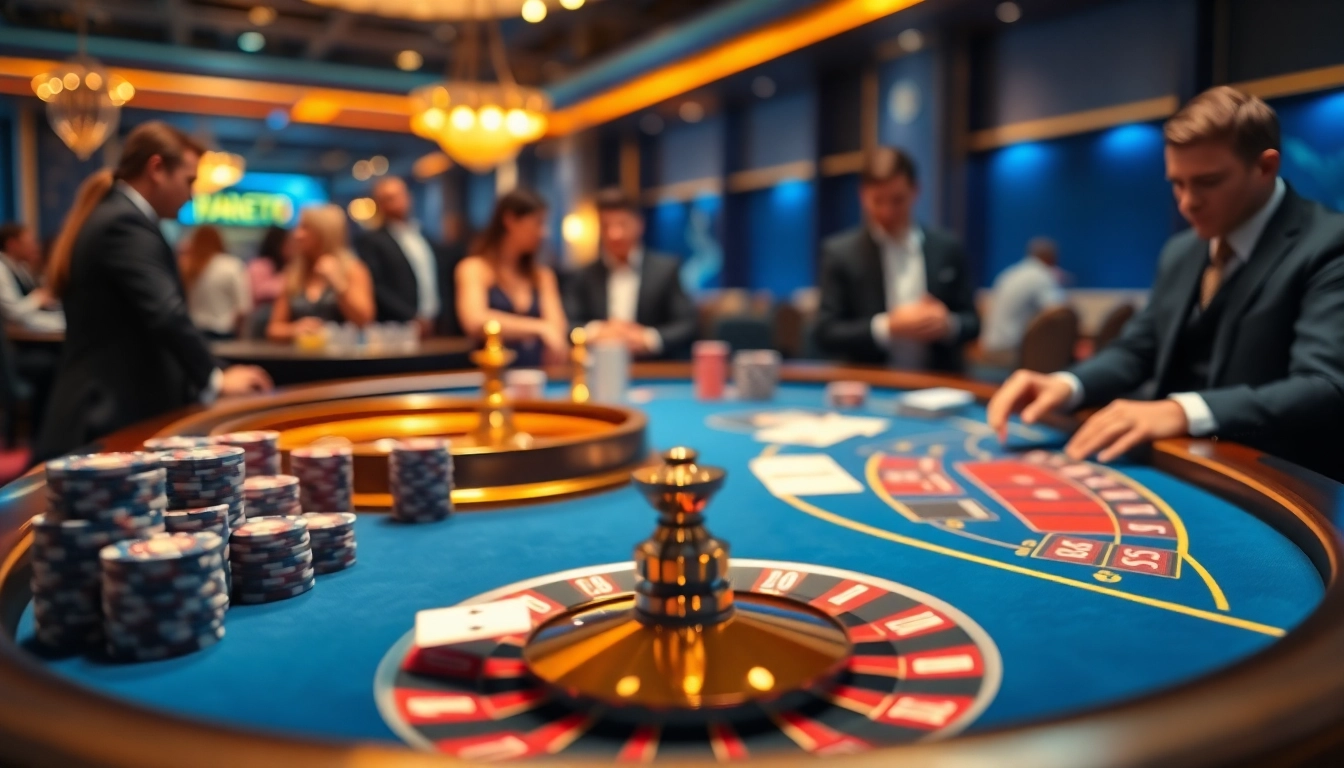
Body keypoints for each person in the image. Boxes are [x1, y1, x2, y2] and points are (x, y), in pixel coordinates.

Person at [987, 87, 1344, 480]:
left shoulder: (1329, 244)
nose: (1187, 202)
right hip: (1177, 470)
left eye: (1207, 182)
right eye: (1177, 183)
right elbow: (1138, 349)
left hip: (1279, 484)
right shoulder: (1181, 250)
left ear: (1265, 167)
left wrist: (1180, 411)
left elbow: (1324, 388)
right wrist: (1068, 383)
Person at [36, 121, 272, 460]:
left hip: (107, 406)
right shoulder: (124, 222)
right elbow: (166, 313)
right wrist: (215, 380)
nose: (191, 195)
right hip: (104, 414)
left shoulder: (117, 214)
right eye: (189, 181)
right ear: (157, 168)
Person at [813, 147, 980, 372]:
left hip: (938, 385)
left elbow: (973, 324)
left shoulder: (948, 247)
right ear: (862, 195)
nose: (887, 212)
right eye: (878, 201)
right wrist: (887, 326)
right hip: (873, 386)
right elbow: (825, 333)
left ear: (915, 191)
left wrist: (948, 325)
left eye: (897, 200)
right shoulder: (840, 253)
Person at [562, 188, 697, 359]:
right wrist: (598, 331)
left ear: (639, 225)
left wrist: (646, 338)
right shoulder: (582, 275)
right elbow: (568, 325)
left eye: (622, 224)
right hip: (597, 368)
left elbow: (687, 324)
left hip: (654, 370)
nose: (614, 234)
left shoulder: (666, 269)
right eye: (606, 226)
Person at [455, 188, 568, 367]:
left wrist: (546, 329)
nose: (543, 232)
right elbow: (475, 321)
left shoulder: (542, 274)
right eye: (537, 223)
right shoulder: (474, 268)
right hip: (491, 376)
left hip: (537, 378)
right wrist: (539, 327)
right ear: (510, 221)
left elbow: (557, 326)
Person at [357, 176, 462, 337]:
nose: (395, 202)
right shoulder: (371, 241)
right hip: (396, 328)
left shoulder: (425, 236)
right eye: (388, 198)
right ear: (379, 204)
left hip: (438, 325)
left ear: (408, 197)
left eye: (399, 195)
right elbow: (376, 287)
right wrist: (411, 316)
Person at [267, 204, 375, 342]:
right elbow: (273, 329)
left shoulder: (354, 270)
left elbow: (364, 321)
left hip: (343, 359)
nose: (297, 235)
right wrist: (295, 330)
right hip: (302, 358)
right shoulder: (294, 273)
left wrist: (338, 283)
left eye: (305, 228)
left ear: (324, 232)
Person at [979, 236, 1067, 366]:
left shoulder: (1010, 273)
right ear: (1051, 258)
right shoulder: (1042, 274)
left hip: (989, 348)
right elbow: (1060, 314)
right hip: (1011, 352)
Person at [179, 225, 251, 340]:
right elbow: (243, 308)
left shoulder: (186, 268)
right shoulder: (232, 265)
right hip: (224, 334)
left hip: (193, 333)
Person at [0, 222, 64, 332]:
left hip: (30, 326)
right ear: (12, 244)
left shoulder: (21, 267)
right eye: (29, 243)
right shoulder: (2, 270)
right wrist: (38, 298)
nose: (35, 247)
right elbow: (12, 313)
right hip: (16, 337)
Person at [248, 224, 289, 306]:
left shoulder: (291, 266)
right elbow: (258, 292)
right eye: (288, 244)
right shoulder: (259, 265)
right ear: (278, 244)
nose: (292, 248)